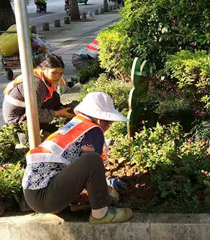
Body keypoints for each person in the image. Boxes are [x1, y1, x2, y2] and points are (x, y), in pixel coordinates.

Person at [22, 92, 133, 224]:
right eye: (108, 123)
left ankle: (62, 206)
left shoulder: (76, 125)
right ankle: (101, 214)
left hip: (33, 194)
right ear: (99, 120)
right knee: (92, 159)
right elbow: (90, 164)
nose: (108, 128)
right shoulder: (93, 130)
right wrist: (107, 193)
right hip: (46, 196)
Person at [3, 54, 74, 125]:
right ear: (43, 69)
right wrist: (57, 113)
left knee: (54, 97)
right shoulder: (37, 84)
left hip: (27, 110)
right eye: (54, 73)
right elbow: (34, 114)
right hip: (17, 119)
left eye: (60, 73)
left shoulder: (43, 77)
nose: (57, 77)